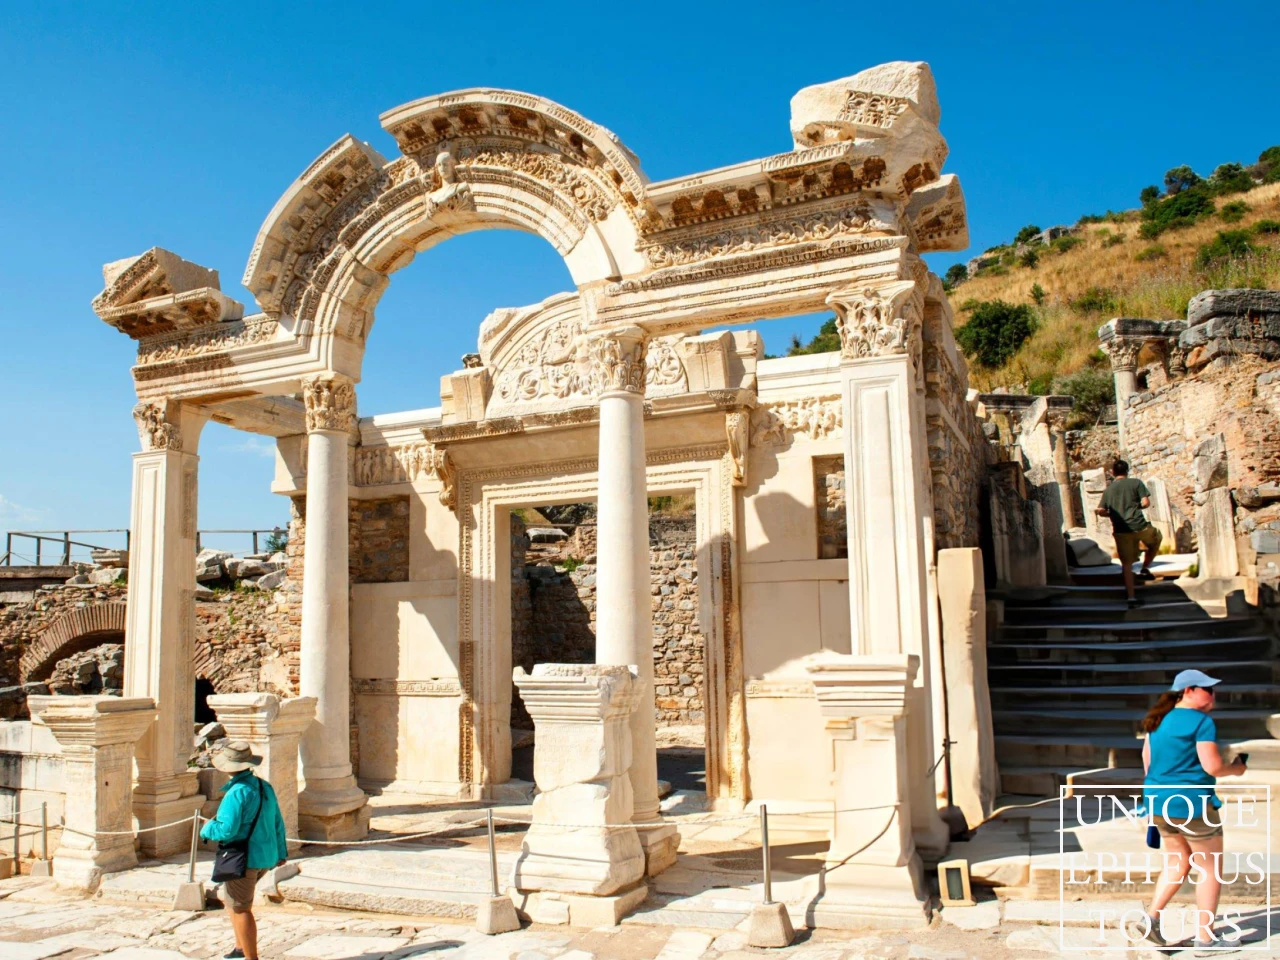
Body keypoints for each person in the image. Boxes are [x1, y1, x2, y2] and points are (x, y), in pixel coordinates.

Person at [1127, 670, 1247, 953]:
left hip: (1158, 802)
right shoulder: (1201, 722)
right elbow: (1212, 766)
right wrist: (1237, 768)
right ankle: (1205, 939)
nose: (1213, 695)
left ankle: (1151, 918)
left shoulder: (1156, 720)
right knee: (1209, 869)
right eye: (1208, 689)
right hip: (1193, 805)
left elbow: (1147, 762)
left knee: (1177, 864)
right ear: (1189, 690)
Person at [201, 741, 288, 960]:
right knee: (233, 900)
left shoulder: (236, 793)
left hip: (244, 857)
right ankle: (240, 948)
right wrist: (281, 852)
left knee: (240, 908)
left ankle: (251, 957)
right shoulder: (263, 786)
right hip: (265, 856)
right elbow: (277, 821)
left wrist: (207, 828)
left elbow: (226, 830)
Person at [1095, 458, 1162, 607]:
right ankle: (1145, 567)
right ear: (1127, 470)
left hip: (1120, 530)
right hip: (1139, 525)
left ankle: (1131, 598)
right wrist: (1134, 507)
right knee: (1156, 539)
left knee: (1126, 564)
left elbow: (1101, 511)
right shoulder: (1136, 483)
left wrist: (1110, 513)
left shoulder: (1109, 490)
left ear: (1113, 472)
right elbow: (1146, 503)